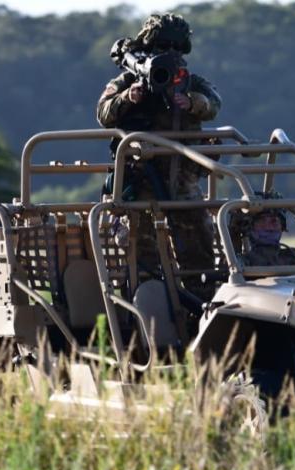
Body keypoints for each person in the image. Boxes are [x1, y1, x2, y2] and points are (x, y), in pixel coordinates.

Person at [96, 13, 222, 298]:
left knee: (198, 244)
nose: (171, 52)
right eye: (164, 45)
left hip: (182, 178)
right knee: (141, 251)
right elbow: (103, 114)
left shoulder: (190, 81)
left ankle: (200, 303)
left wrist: (191, 103)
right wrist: (128, 97)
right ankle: (148, 304)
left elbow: (214, 103)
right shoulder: (129, 79)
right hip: (138, 178)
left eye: (177, 47)